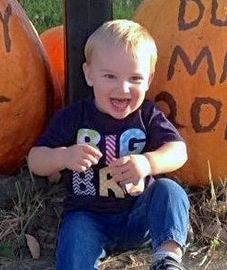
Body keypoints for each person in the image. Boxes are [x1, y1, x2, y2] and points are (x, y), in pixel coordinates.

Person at [27, 19, 190, 270]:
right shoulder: (74, 117)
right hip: (89, 216)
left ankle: (167, 259)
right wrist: (64, 157)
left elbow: (179, 151)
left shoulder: (147, 115)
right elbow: (35, 160)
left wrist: (148, 162)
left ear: (149, 80)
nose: (122, 88)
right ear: (89, 74)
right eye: (110, 76)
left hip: (140, 214)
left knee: (170, 191)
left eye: (135, 78)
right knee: (75, 233)